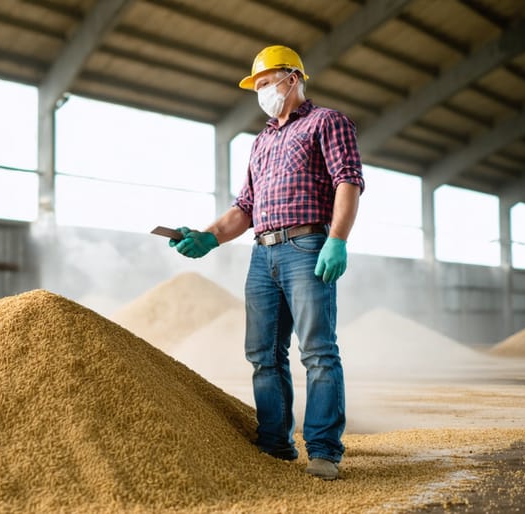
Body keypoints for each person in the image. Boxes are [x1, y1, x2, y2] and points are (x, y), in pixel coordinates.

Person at [169, 45, 364, 480]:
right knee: (263, 355)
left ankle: (324, 451)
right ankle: (275, 445)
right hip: (262, 253)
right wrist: (209, 236)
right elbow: (245, 207)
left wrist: (337, 239)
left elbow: (348, 181)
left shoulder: (326, 122)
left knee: (317, 351)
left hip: (306, 246)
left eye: (264, 83)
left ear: (291, 79)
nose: (260, 92)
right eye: (256, 86)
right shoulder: (261, 141)